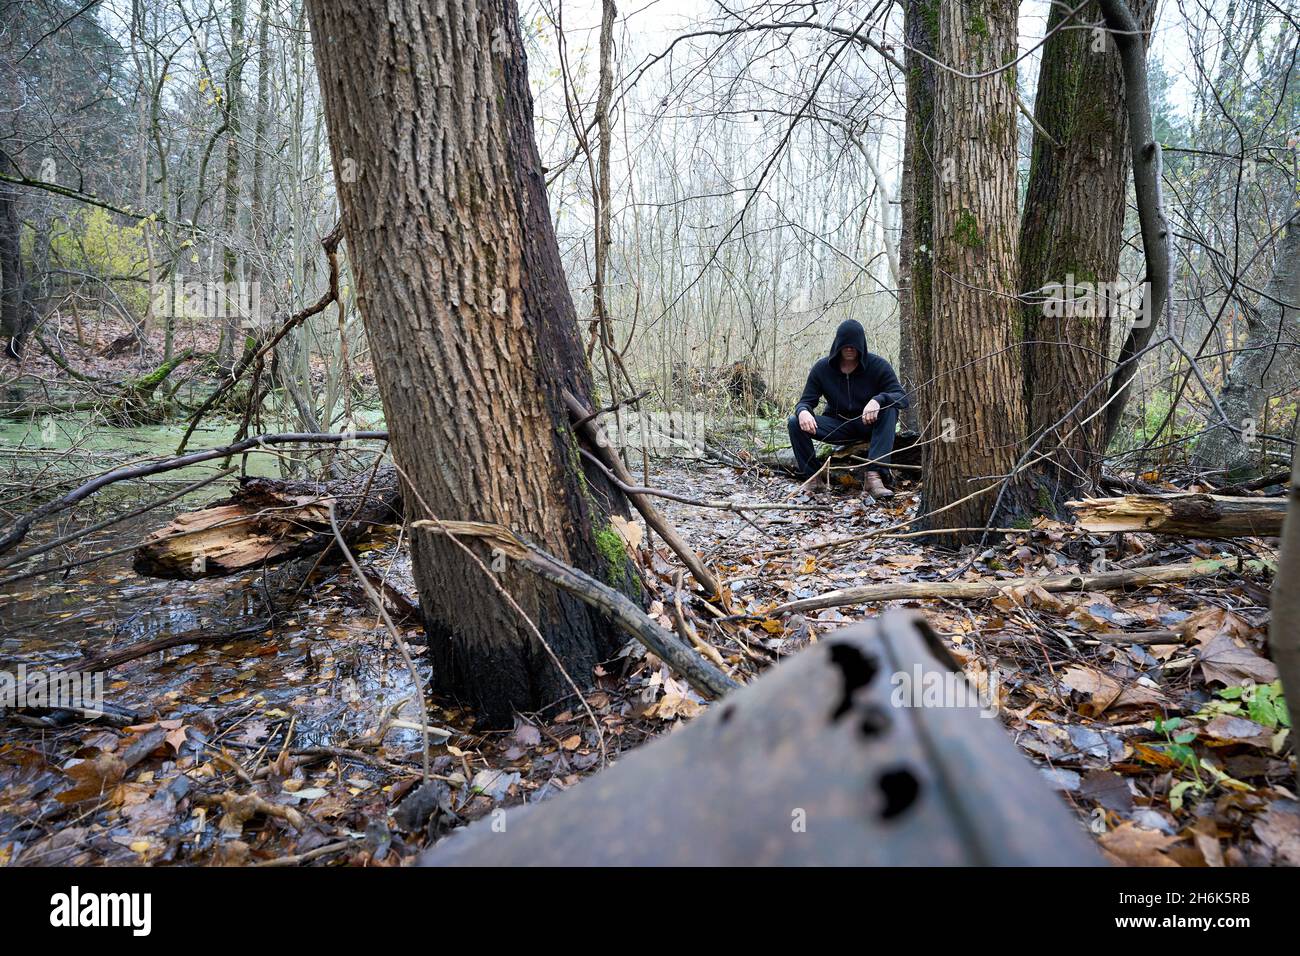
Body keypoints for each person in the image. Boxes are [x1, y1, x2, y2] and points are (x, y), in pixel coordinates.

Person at [787, 318, 907, 497]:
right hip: (837, 425)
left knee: (889, 407)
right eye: (845, 345)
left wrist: (878, 399)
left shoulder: (878, 366)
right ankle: (813, 478)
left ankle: (874, 477)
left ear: (862, 345)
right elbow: (806, 401)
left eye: (854, 345)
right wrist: (803, 411)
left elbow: (902, 398)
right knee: (795, 421)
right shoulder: (822, 368)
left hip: (868, 424)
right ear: (838, 344)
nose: (850, 349)